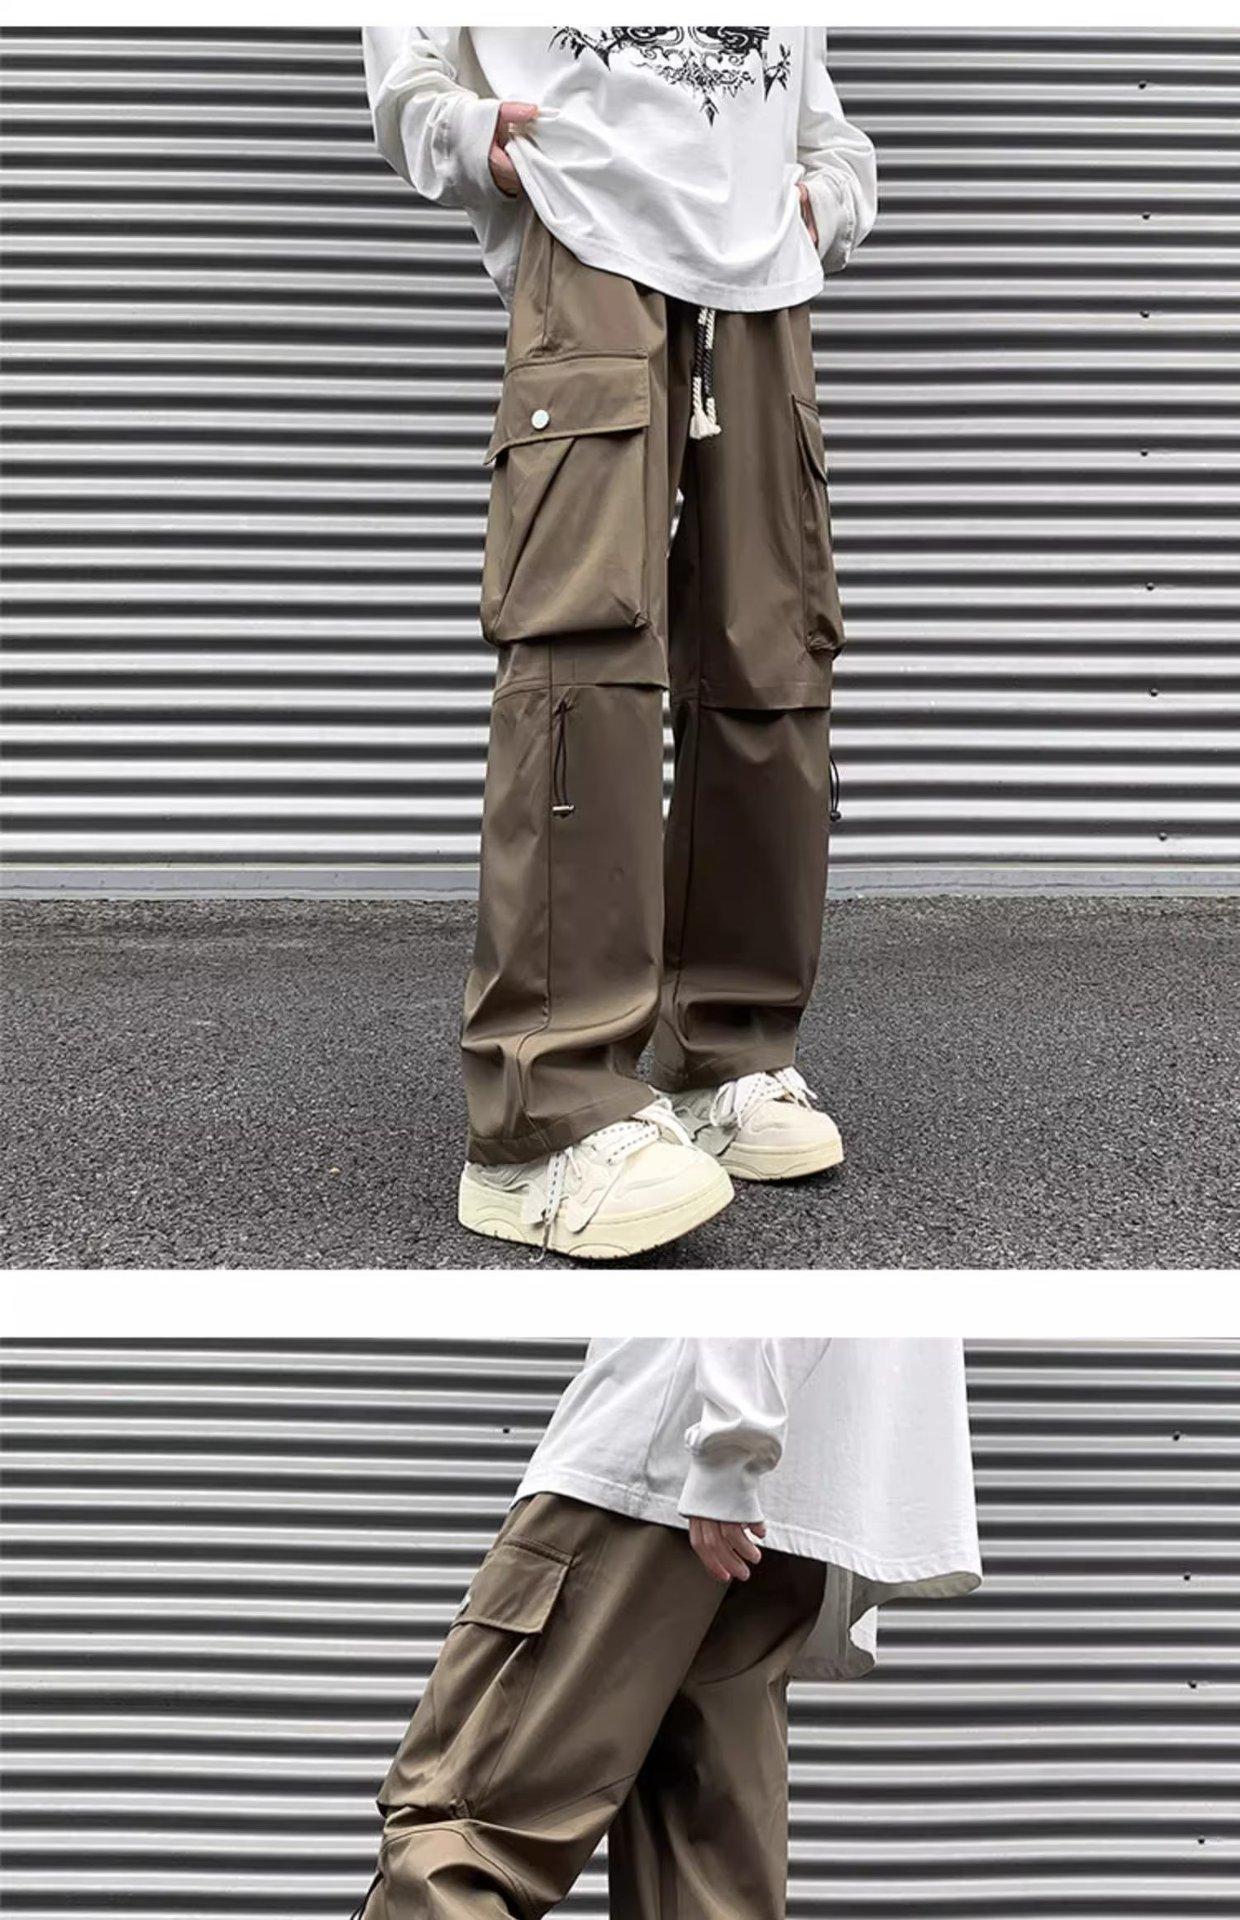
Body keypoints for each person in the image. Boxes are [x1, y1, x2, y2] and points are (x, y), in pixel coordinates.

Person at [362, 31, 879, 1258]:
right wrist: (465, 138)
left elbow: (819, 114)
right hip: (591, 244)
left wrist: (828, 199)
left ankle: (727, 1054)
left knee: (772, 658)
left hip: (761, 285)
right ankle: (540, 1119)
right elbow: (408, 61)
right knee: (580, 656)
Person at [348, 1337, 982, 1920]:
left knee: (459, 1842)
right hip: (788, 1516)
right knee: (704, 1891)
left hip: (656, 1471)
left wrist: (732, 1444)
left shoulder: (715, 1446)